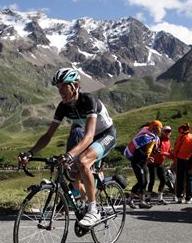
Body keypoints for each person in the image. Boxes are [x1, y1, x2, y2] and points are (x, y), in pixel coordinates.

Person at [18, 68, 117, 228]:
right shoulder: (63, 107)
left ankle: (93, 210)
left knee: (83, 162)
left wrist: (70, 155)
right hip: (88, 137)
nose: (60, 91)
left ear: (75, 85)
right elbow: (48, 135)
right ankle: (86, 200)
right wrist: (30, 153)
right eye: (58, 87)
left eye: (63, 86)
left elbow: (90, 136)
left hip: (105, 135)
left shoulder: (89, 101)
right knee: (72, 173)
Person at [124, 120, 163, 209]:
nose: (159, 131)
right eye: (158, 129)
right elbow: (139, 150)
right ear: (154, 128)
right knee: (141, 181)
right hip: (137, 161)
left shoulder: (154, 137)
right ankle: (129, 200)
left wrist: (155, 152)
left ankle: (142, 202)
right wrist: (147, 157)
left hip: (143, 162)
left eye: (159, 129)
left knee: (145, 182)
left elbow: (150, 149)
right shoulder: (145, 136)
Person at [173, 123, 192, 204]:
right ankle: (188, 198)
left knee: (180, 178)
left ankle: (179, 197)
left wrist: (176, 159)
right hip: (190, 160)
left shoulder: (182, 137)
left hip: (180, 159)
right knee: (189, 179)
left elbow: (176, 148)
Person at [146, 125, 173, 205]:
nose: (168, 133)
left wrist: (173, 155)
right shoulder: (158, 139)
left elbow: (168, 151)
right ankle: (148, 197)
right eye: (166, 131)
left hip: (160, 163)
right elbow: (154, 151)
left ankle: (160, 198)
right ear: (162, 132)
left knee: (163, 180)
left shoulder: (168, 141)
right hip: (152, 162)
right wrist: (163, 153)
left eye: (169, 131)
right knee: (152, 180)